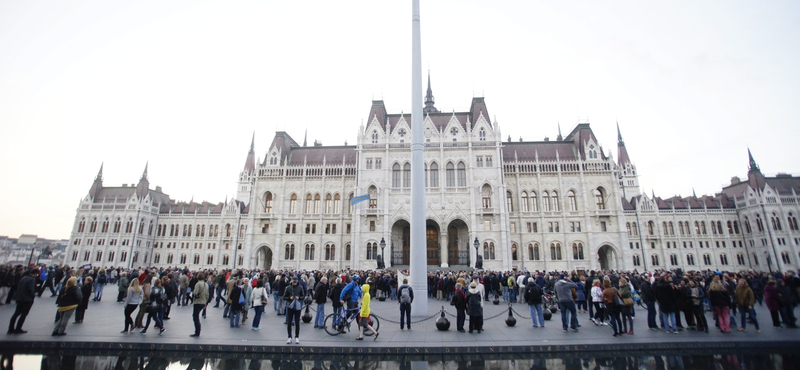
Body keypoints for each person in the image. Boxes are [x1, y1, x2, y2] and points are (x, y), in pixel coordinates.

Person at [7, 268, 39, 334]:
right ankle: (18, 328)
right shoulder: (32, 280)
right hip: (27, 299)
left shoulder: (23, 278)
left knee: (16, 314)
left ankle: (11, 328)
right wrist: (33, 295)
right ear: (35, 273)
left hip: (19, 298)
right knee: (24, 314)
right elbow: (30, 289)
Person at [284, 276, 305, 344]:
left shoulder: (300, 288)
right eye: (293, 282)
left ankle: (297, 337)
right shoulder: (288, 288)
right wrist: (290, 298)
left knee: (297, 322)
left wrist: (298, 298)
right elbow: (284, 297)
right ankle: (289, 337)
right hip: (290, 306)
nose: (294, 283)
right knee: (289, 322)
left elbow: (303, 296)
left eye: (295, 282)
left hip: (297, 306)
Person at [190, 272, 208, 337]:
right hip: (203, 302)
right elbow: (207, 295)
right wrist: (205, 302)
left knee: (195, 316)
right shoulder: (206, 284)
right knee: (197, 315)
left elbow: (195, 292)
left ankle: (197, 331)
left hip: (197, 301)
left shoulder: (198, 284)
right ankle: (198, 330)